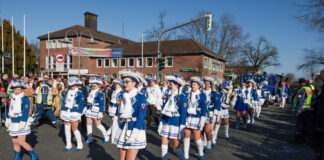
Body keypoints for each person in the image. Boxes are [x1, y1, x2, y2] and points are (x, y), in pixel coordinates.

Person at [112, 69, 147, 160]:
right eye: (123, 82)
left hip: (135, 129)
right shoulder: (122, 95)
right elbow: (119, 114)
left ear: (134, 83)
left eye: (127, 82)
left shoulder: (140, 96)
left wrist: (133, 135)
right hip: (123, 127)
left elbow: (141, 118)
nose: (125, 84)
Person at [5, 79, 38, 160]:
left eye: (18, 89)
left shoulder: (25, 98)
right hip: (13, 122)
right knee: (15, 142)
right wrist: (8, 119)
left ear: (22, 89)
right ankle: (17, 157)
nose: (17, 91)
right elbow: (10, 109)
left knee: (21, 142)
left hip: (21, 122)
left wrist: (23, 122)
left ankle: (34, 155)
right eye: (15, 89)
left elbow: (25, 112)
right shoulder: (13, 98)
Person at [158, 74, 187, 160]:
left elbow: (183, 114)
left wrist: (182, 128)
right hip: (166, 122)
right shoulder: (168, 95)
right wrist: (161, 123)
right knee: (163, 144)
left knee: (176, 148)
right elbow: (164, 111)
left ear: (177, 85)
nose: (170, 86)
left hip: (175, 123)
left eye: (171, 84)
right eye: (170, 84)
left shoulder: (182, 97)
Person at [184, 76, 207, 160]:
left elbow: (204, 110)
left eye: (195, 84)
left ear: (199, 86)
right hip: (188, 117)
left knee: (196, 138)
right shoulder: (187, 94)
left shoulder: (203, 96)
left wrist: (202, 121)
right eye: (192, 84)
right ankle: (186, 155)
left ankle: (201, 153)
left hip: (196, 118)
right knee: (186, 135)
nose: (193, 86)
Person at [60, 77, 85, 152]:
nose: (72, 87)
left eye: (74, 85)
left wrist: (79, 113)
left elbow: (81, 104)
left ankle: (80, 144)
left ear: (76, 85)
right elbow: (64, 101)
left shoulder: (80, 93)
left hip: (75, 111)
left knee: (74, 128)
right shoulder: (67, 91)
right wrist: (62, 110)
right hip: (67, 111)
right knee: (66, 128)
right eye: (71, 86)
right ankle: (68, 144)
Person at [84, 77, 109, 144]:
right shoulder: (91, 92)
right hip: (89, 110)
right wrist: (85, 108)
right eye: (92, 85)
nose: (92, 86)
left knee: (98, 125)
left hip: (96, 110)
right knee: (88, 124)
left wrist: (100, 112)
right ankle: (90, 138)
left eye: (94, 85)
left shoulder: (100, 93)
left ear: (98, 85)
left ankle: (106, 136)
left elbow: (101, 104)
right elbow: (88, 101)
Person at [293, 78, 313, 142]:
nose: (298, 84)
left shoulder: (303, 90)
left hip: (302, 109)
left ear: (301, 83)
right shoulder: (309, 89)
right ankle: (303, 138)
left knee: (299, 124)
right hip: (307, 108)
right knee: (304, 124)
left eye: (299, 83)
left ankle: (298, 139)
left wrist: (298, 111)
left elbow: (300, 101)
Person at [212, 80, 232, 146]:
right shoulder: (221, 93)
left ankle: (226, 134)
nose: (228, 90)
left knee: (226, 122)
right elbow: (220, 103)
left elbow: (227, 100)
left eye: (228, 89)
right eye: (227, 89)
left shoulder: (227, 93)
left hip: (225, 110)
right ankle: (214, 137)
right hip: (220, 109)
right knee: (218, 122)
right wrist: (228, 105)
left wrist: (230, 103)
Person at [201, 76, 217, 152]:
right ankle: (203, 143)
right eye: (205, 83)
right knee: (201, 131)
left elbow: (217, 105)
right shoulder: (200, 92)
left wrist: (214, 115)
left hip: (209, 114)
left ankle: (209, 145)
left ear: (210, 85)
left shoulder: (213, 93)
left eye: (208, 83)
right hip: (201, 114)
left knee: (207, 131)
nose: (207, 85)